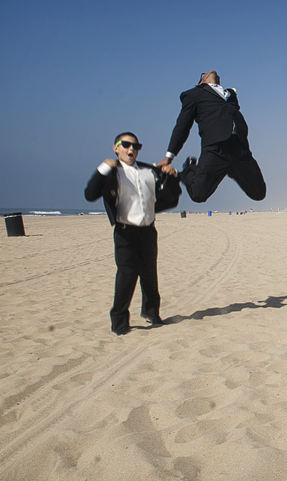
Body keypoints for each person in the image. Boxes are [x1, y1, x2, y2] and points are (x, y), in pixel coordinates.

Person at [85, 132, 181, 335]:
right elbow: (90, 194)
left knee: (149, 275)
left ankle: (152, 313)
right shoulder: (112, 172)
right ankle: (119, 322)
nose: (131, 149)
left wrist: (172, 178)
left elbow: (170, 200)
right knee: (127, 276)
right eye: (126, 145)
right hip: (125, 232)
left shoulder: (150, 171)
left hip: (148, 231)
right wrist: (103, 168)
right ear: (116, 148)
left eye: (136, 146)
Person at [159, 71, 266, 203]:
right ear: (201, 81)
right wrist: (169, 156)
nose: (210, 71)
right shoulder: (193, 94)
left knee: (259, 193)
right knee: (198, 195)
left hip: (239, 148)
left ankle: (232, 170)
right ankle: (188, 169)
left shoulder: (230, 94)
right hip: (216, 149)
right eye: (203, 74)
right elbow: (182, 126)